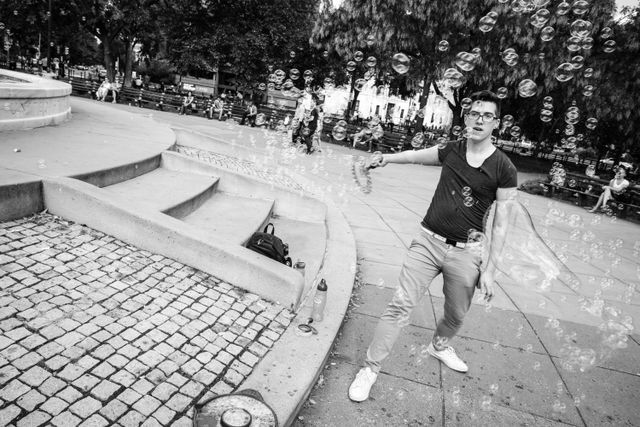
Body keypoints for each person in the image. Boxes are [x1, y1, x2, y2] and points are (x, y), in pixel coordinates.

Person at [348, 90, 518, 402]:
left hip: (468, 253)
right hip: (427, 241)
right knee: (400, 304)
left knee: (456, 315)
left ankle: (439, 346)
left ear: (497, 123)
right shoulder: (452, 150)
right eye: (474, 113)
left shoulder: (504, 168)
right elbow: (417, 155)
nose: (479, 119)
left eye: (487, 115)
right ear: (466, 118)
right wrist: (385, 158)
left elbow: (503, 223)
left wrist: (491, 270)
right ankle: (370, 368)